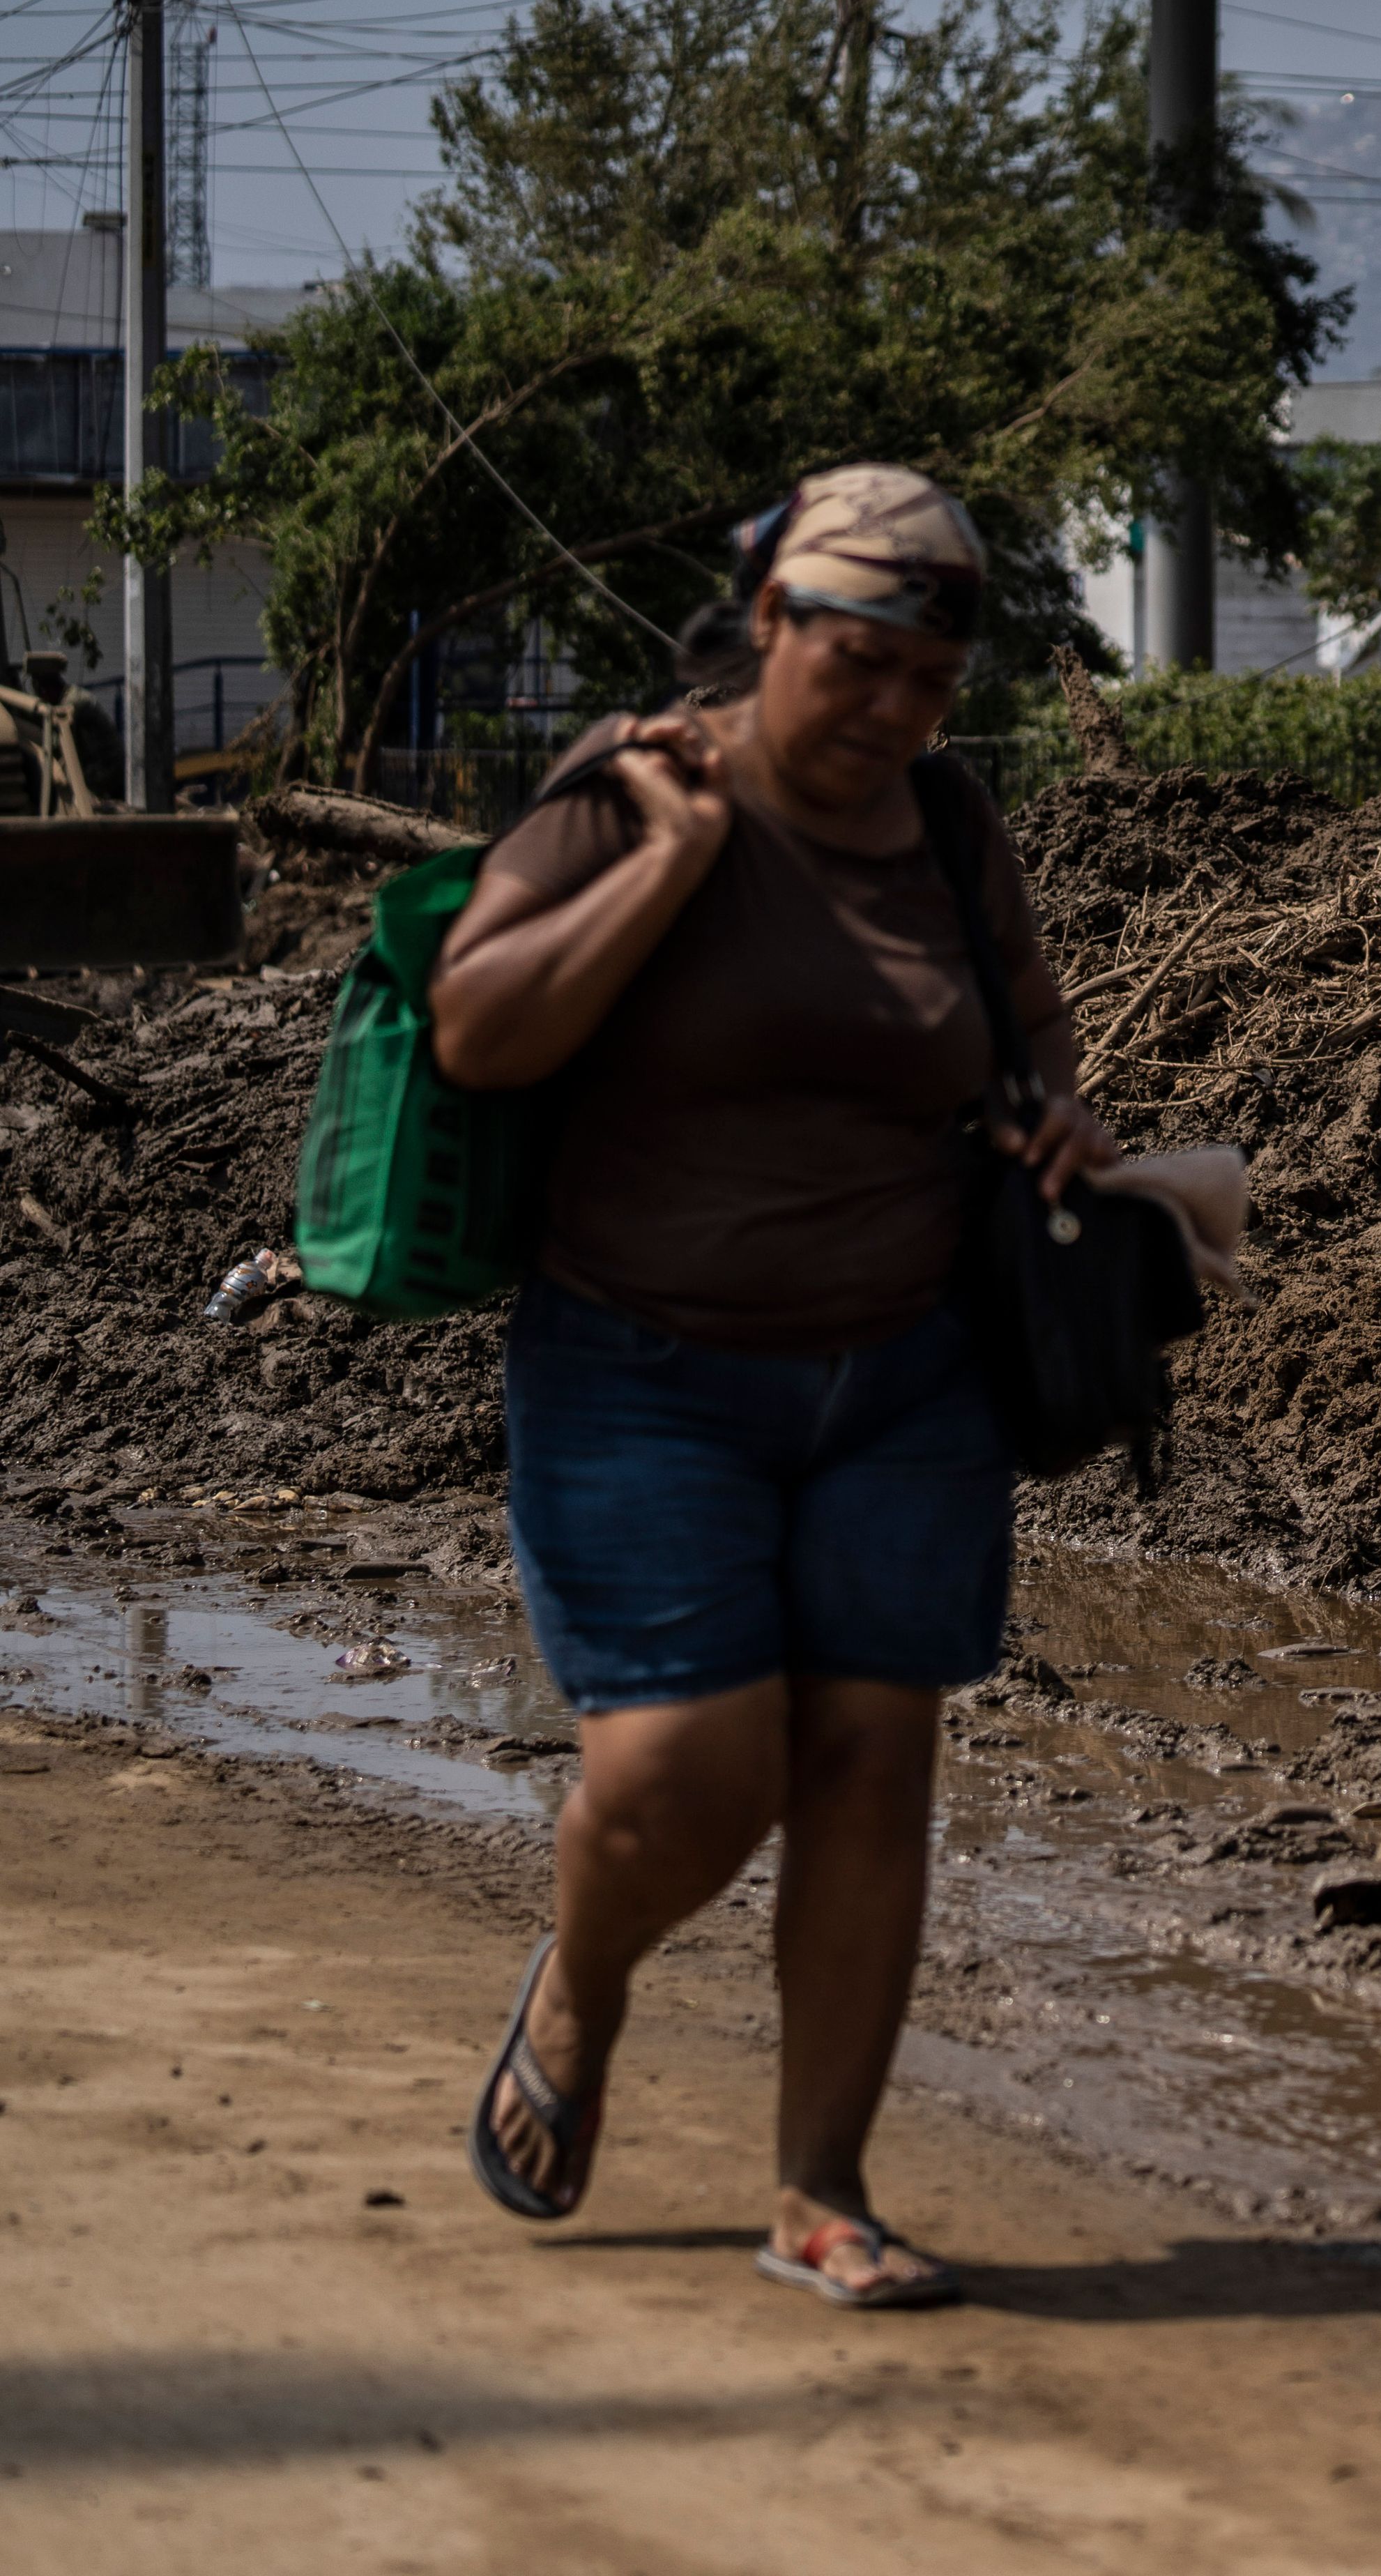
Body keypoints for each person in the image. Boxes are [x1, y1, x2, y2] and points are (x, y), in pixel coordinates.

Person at [426, 464, 1109, 2308]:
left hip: (908, 1376)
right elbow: (479, 1031)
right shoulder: (636, 781)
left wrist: (1054, 1105)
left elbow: (1024, 1010)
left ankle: (821, 2192)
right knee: (682, 1777)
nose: (889, 710)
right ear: (773, 630)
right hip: (641, 1368)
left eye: (926, 680)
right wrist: (667, 865)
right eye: (856, 662)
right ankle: (583, 1980)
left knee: (875, 1762)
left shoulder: (953, 823)